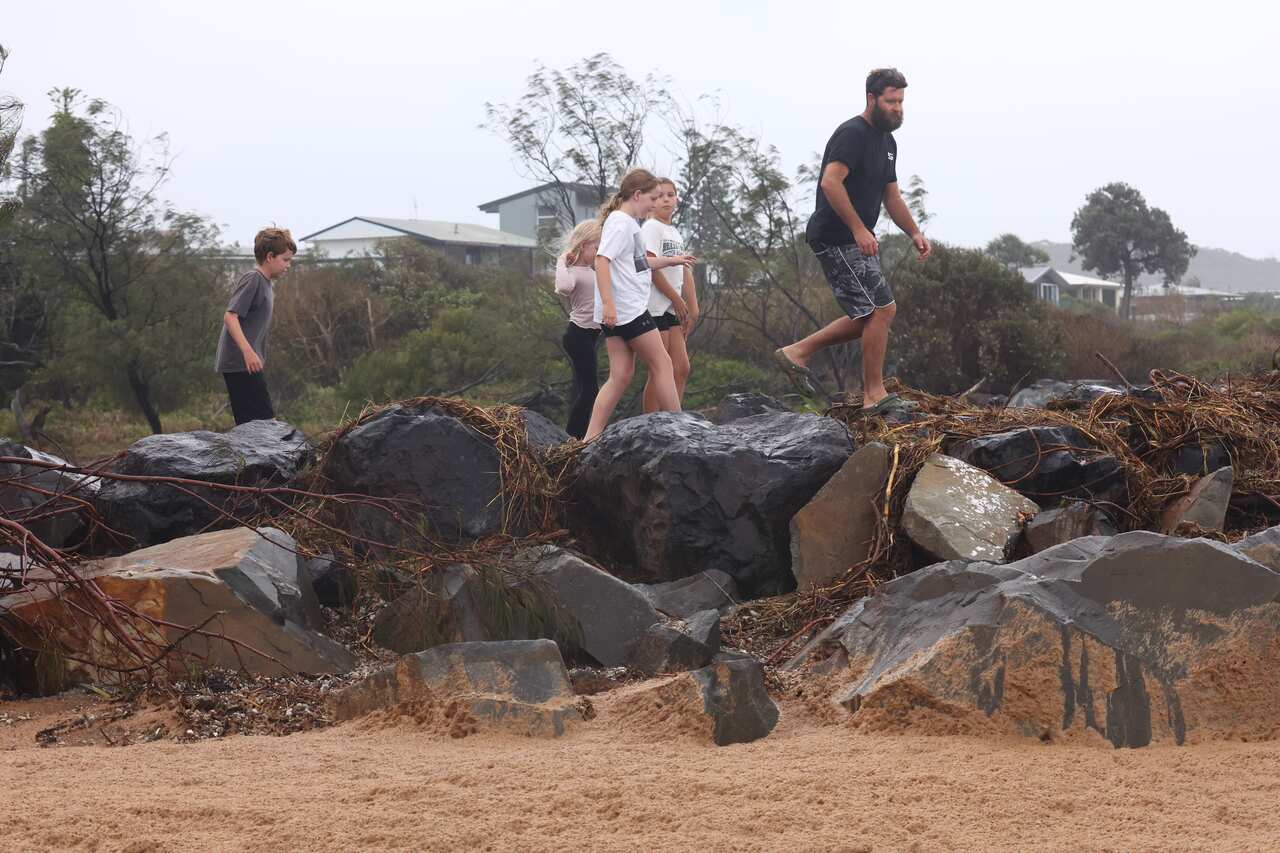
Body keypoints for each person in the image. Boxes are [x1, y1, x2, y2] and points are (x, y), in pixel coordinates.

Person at [774, 67, 931, 416]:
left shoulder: (888, 143)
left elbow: (891, 196)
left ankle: (797, 352)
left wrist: (915, 232)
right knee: (881, 310)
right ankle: (873, 395)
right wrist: (859, 229)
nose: (898, 108)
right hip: (835, 235)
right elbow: (831, 182)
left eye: (901, 101)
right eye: (891, 101)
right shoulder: (852, 134)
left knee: (870, 315)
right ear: (871, 98)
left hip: (857, 238)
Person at [584, 168, 696, 441]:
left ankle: (588, 439)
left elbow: (639, 263)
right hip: (627, 311)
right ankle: (679, 430)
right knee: (663, 365)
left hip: (619, 312)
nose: (655, 203)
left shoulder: (628, 224)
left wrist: (672, 261)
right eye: (653, 197)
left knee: (621, 375)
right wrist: (609, 305)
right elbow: (601, 260)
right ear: (637, 195)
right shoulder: (621, 223)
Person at [214, 226, 295, 425]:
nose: (288, 265)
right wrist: (248, 352)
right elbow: (230, 317)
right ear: (270, 256)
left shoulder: (266, 283)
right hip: (240, 362)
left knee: (258, 424)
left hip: (248, 363)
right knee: (265, 423)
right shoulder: (254, 279)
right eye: (285, 259)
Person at [640, 178, 699, 412]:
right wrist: (676, 299)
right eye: (660, 195)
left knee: (681, 367)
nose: (666, 199)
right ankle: (650, 422)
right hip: (655, 306)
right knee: (659, 369)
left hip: (672, 307)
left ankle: (674, 418)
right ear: (651, 202)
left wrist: (692, 306)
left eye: (671, 194)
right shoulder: (651, 227)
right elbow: (650, 267)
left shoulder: (673, 231)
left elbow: (683, 268)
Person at [554, 220, 603, 439]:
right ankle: (572, 437)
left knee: (586, 389)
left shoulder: (592, 271)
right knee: (590, 389)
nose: (598, 252)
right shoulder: (573, 271)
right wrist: (561, 261)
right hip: (578, 334)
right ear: (583, 246)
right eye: (596, 248)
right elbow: (563, 287)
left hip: (590, 336)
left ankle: (578, 434)